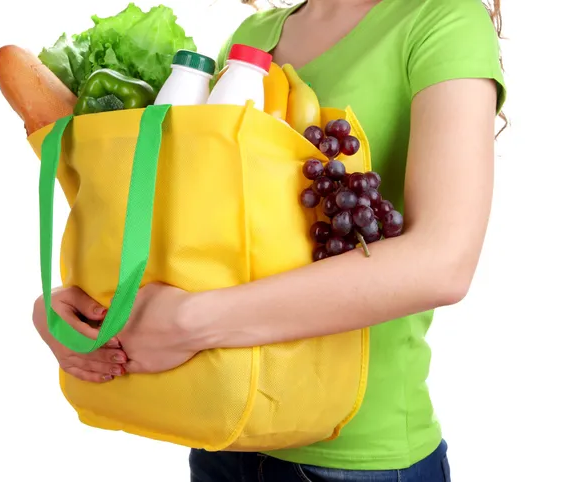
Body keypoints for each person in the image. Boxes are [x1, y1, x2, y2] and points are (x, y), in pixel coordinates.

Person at [32, 0, 506, 480]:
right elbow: (196, 234)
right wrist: (84, 308)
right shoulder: (253, 36)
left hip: (359, 460)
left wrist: (190, 323)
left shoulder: (441, 20)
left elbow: (442, 263)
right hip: (220, 430)